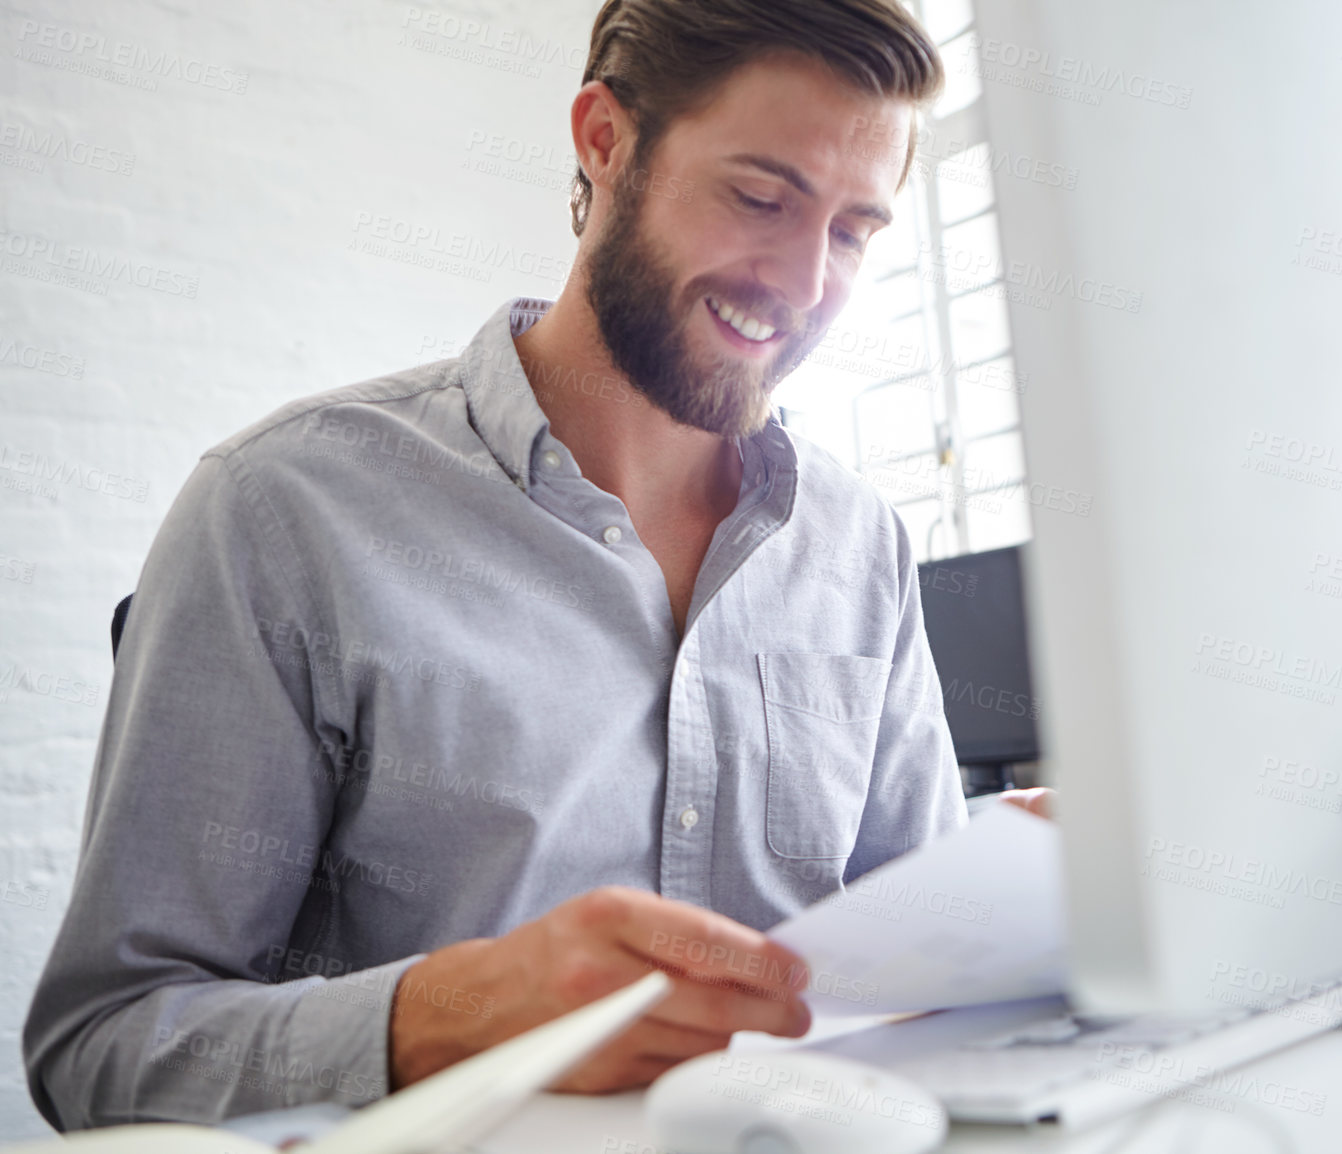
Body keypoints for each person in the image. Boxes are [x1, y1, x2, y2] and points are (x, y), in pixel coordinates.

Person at [24, 0, 1056, 1130]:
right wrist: (453, 1006)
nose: (807, 282)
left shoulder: (861, 543)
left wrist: (1031, 901)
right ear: (605, 141)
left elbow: (917, 973)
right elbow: (102, 1047)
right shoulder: (283, 510)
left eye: (855, 231)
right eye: (759, 197)